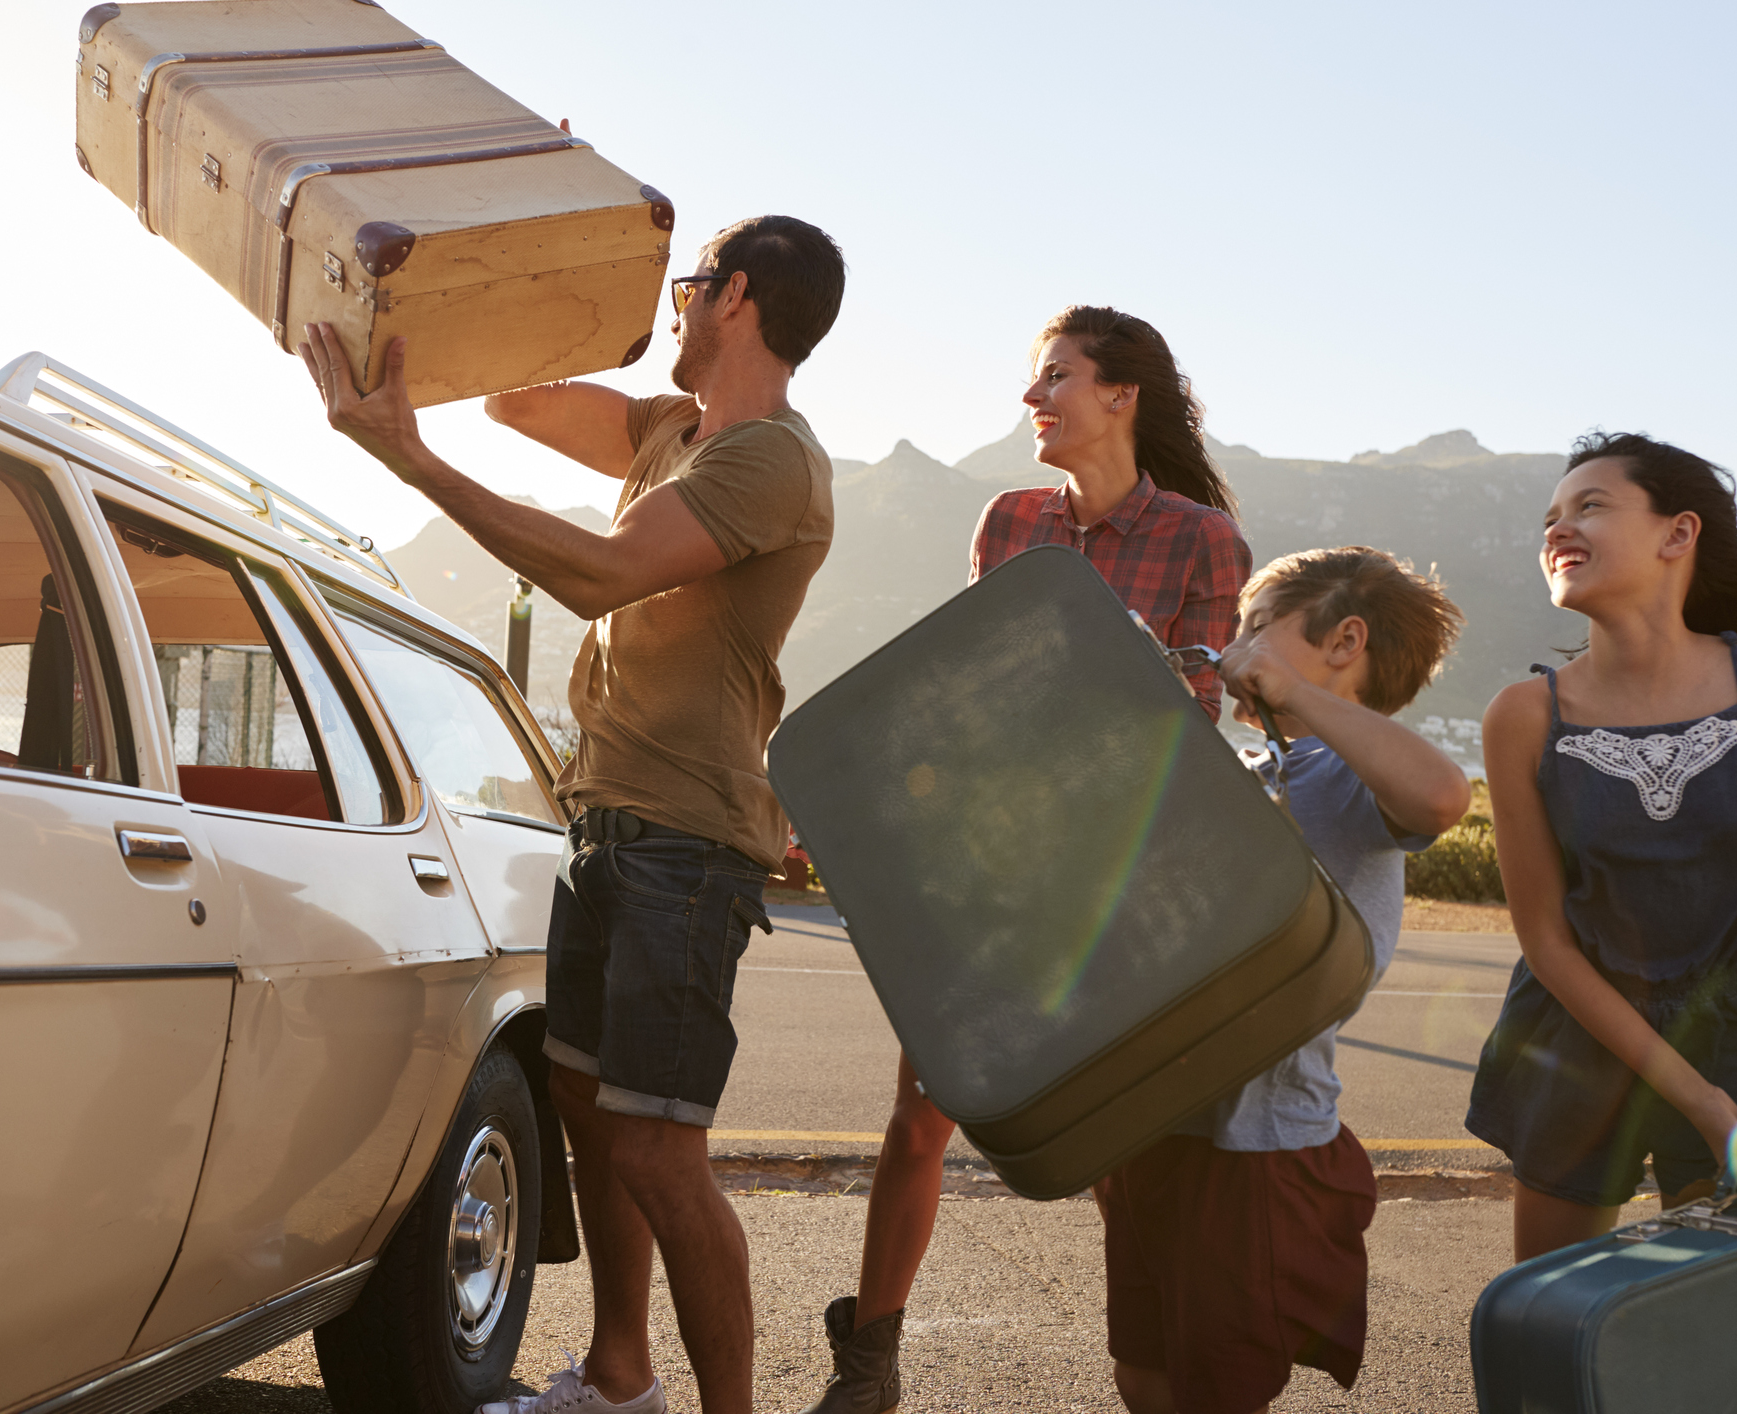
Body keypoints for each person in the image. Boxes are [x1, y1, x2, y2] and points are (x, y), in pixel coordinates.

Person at [300, 213, 847, 1414]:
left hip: (687, 845)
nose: (679, 304)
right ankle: (618, 1377)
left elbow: (600, 573)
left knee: (658, 1145)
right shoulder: (669, 430)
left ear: (736, 296)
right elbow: (514, 400)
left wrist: (410, 461)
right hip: (606, 822)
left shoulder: (771, 463)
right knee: (595, 1118)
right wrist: (531, 239)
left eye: (691, 281)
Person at [798, 306, 1251, 1414]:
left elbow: (1196, 719)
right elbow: (968, 683)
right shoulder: (1006, 522)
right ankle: (869, 1368)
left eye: (1055, 377)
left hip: (1115, 885)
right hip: (991, 872)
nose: (1032, 398)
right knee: (921, 1114)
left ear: (1120, 395)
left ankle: (1157, 1361)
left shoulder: (1199, 537)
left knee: (1111, 1147)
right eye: (1034, 378)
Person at [1098, 547, 1469, 1414]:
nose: (1235, 650)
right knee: (1143, 1372)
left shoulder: (1335, 776)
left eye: (1257, 629)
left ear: (1345, 639)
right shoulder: (1256, 770)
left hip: (1254, 1149)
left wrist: (1292, 694)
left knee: (1217, 1387)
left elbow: (1441, 797)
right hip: (1158, 1123)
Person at [1464, 432, 1737, 1262]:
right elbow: (1546, 942)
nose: (1557, 528)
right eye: (1549, 516)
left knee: (1729, 1331)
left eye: (1589, 505)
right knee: (1550, 1315)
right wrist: (1694, 1098)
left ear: (1677, 534)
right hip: (1574, 1040)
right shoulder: (1519, 715)